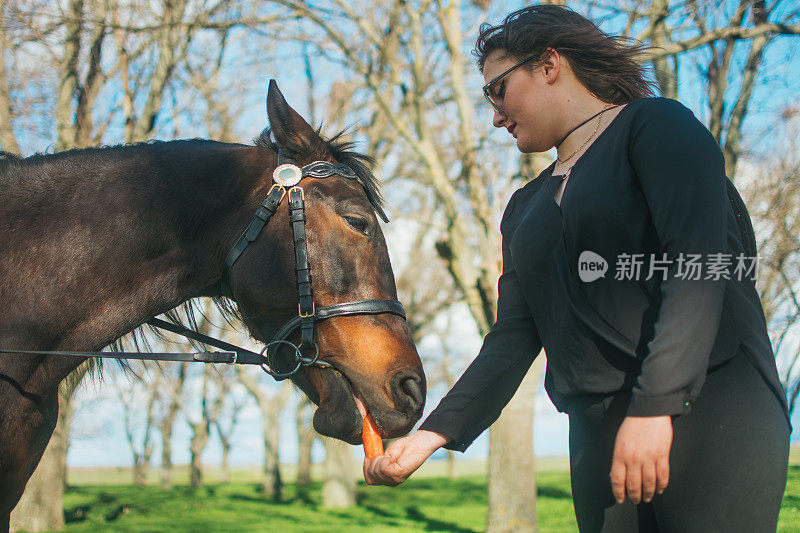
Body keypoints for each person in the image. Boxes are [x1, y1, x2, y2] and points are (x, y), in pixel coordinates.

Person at [362, 5, 791, 532]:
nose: (494, 114)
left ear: (549, 64)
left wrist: (655, 408)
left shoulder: (656, 126)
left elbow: (698, 267)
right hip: (594, 429)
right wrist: (431, 437)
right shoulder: (524, 206)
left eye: (497, 89)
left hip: (711, 407)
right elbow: (513, 339)